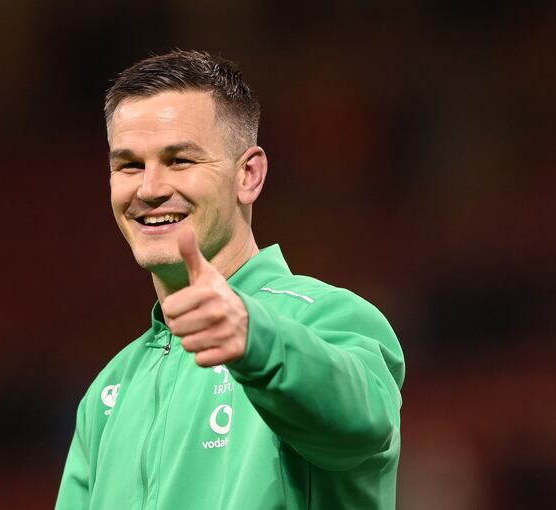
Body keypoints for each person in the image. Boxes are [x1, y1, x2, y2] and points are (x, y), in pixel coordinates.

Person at [55, 50, 405, 510]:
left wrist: (255, 340)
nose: (150, 189)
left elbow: (363, 428)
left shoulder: (331, 318)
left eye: (179, 160)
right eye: (129, 165)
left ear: (248, 175)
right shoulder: (109, 390)